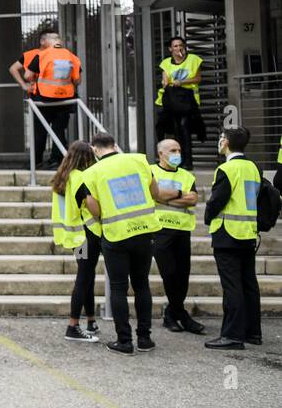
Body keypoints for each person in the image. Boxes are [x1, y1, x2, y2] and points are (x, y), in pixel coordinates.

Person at [77, 132, 179, 354]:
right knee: (142, 284)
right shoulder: (139, 160)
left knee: (118, 288)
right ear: (115, 145)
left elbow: (96, 210)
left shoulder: (91, 173)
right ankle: (144, 338)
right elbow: (155, 193)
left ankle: (124, 341)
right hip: (145, 231)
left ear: (95, 149)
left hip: (116, 236)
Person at [204, 127, 262, 350]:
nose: (219, 141)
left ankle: (232, 336)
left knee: (232, 286)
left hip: (227, 232)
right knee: (249, 284)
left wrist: (209, 217)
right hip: (248, 232)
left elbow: (217, 200)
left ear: (226, 142)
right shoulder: (253, 167)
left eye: (221, 138)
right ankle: (252, 332)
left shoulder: (227, 169)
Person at [150, 138, 205, 335]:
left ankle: (172, 315)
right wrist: (180, 195)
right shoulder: (151, 172)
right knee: (169, 273)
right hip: (159, 229)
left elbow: (193, 199)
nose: (177, 154)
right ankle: (180, 315)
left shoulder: (186, 175)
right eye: (172, 150)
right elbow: (154, 195)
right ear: (161, 154)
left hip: (182, 229)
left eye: (179, 150)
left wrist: (167, 198)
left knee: (183, 276)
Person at [50, 140, 100, 342]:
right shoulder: (80, 178)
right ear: (86, 158)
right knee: (84, 278)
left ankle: (91, 320)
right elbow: (93, 209)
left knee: (86, 276)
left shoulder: (62, 177)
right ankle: (73, 325)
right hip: (86, 236)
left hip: (74, 237)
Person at [25, 32, 81, 167]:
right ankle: (58, 160)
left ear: (49, 43)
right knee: (59, 130)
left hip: (43, 100)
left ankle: (37, 162)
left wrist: (34, 81)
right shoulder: (72, 57)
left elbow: (27, 75)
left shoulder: (42, 55)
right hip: (65, 100)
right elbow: (78, 80)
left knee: (39, 131)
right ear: (60, 42)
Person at [154, 37, 206, 170]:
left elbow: (198, 78)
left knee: (184, 127)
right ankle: (175, 160)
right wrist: (166, 82)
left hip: (188, 101)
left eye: (181, 45)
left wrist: (182, 82)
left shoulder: (194, 59)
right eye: (175, 46)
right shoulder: (166, 63)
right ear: (170, 49)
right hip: (172, 102)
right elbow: (165, 80)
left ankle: (188, 162)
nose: (179, 48)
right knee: (174, 130)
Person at [10, 31, 50, 165]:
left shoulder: (57, 54)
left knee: (51, 130)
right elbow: (13, 68)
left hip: (52, 95)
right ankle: (38, 160)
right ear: (42, 41)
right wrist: (23, 85)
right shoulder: (31, 55)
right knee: (39, 130)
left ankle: (50, 160)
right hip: (38, 95)